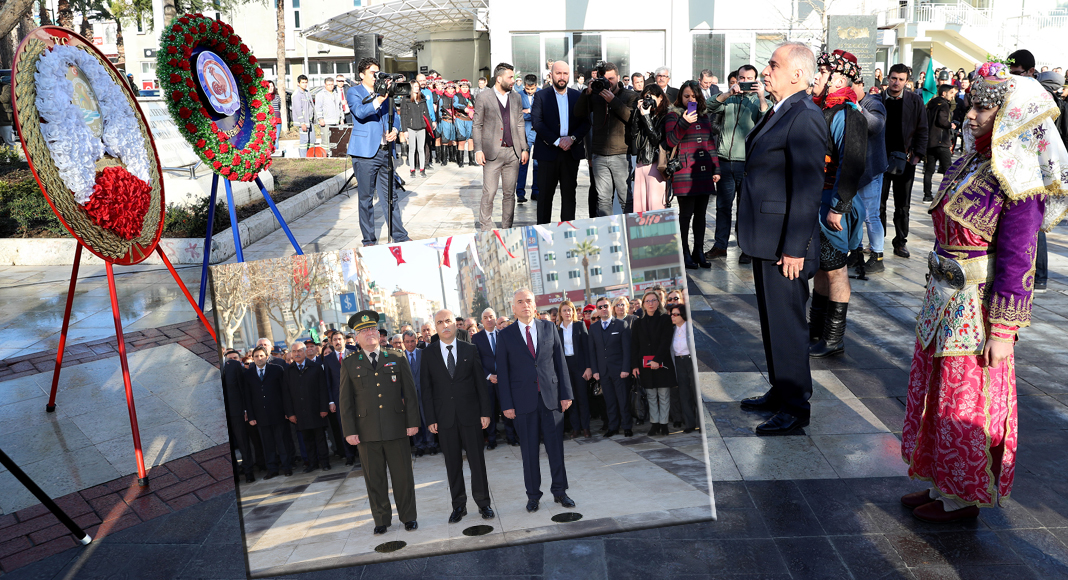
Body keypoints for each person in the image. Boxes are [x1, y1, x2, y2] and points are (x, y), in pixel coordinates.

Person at [900, 63, 1068, 523]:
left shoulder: (1019, 178)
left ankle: (962, 496)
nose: (970, 115)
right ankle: (938, 480)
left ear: (1008, 114)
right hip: (943, 299)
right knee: (936, 392)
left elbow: (1019, 258)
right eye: (971, 105)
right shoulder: (972, 160)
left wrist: (1004, 330)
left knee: (964, 401)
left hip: (977, 308)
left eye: (982, 108)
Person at [736, 41, 827, 435]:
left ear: (797, 74)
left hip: (786, 246)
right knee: (773, 322)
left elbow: (808, 190)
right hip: (766, 239)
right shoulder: (782, 108)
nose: (765, 70)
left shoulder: (805, 115)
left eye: (773, 65)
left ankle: (795, 405)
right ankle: (780, 388)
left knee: (788, 326)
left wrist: (794, 249)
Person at [808, 51, 869, 359]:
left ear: (838, 80)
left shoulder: (848, 113)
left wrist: (838, 206)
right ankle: (816, 330)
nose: (816, 76)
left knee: (836, 270)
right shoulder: (823, 109)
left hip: (833, 204)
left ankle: (833, 338)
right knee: (822, 267)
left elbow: (852, 163)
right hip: (819, 200)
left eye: (822, 72)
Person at [339, 311, 420, 535]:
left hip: (396, 427)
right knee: (374, 478)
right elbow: (345, 401)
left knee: (403, 476)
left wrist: (412, 422)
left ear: (379, 333)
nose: (369, 333)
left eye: (372, 329)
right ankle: (381, 519)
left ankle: (409, 517)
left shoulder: (396, 357)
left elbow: (410, 394)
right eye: (364, 331)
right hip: (366, 431)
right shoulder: (350, 363)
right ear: (356, 338)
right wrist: (349, 431)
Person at [496, 288, 575, 512]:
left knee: (555, 449)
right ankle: (533, 496)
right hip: (522, 402)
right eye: (520, 301)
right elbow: (503, 372)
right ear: (513, 308)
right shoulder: (505, 335)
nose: (525, 305)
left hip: (551, 399)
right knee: (529, 452)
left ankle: (560, 492)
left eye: (528, 301)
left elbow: (560, 362)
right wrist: (507, 404)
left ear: (535, 304)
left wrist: (566, 394)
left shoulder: (549, 327)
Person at [421, 310, 494, 523]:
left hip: (471, 415)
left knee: (477, 462)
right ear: (435, 327)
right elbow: (426, 389)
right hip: (444, 418)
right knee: (452, 464)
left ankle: (484, 503)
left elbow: (480, 384)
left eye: (448, 321)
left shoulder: (470, 349)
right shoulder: (428, 353)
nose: (445, 325)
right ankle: (458, 506)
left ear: (455, 324)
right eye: (440, 322)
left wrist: (485, 412)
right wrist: (430, 418)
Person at [704, 64, 769, 262]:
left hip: (746, 163)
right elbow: (708, 107)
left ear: (756, 80)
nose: (745, 81)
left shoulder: (760, 101)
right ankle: (720, 245)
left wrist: (761, 97)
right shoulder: (730, 98)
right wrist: (727, 93)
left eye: (749, 78)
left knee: (745, 207)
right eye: (742, 78)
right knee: (723, 206)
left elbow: (766, 121)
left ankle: (747, 248)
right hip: (724, 160)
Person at [347, 57, 410, 247]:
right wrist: (380, 98)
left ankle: (400, 236)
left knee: (390, 197)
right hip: (365, 153)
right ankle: (369, 240)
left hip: (385, 151)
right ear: (361, 75)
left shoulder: (384, 92)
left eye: (378, 73)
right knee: (366, 198)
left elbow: (395, 116)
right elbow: (360, 112)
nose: (376, 77)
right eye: (372, 73)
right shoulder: (354, 92)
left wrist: (395, 130)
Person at [665, 80, 721, 269]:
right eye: (686, 96)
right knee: (685, 215)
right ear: (680, 97)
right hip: (684, 172)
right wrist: (684, 122)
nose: (691, 99)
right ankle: (684, 253)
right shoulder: (673, 115)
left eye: (694, 96)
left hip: (704, 171)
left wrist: (716, 168)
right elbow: (670, 142)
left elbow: (710, 144)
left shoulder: (704, 116)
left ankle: (699, 251)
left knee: (701, 215)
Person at [876, 63, 928, 259]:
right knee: (879, 204)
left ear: (907, 82)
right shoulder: (878, 100)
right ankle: (877, 242)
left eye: (901, 79)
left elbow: (923, 129)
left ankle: (900, 241)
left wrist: (917, 155)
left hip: (905, 159)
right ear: (888, 78)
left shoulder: (915, 101)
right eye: (893, 78)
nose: (896, 82)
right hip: (880, 159)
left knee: (902, 204)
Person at [530, 60, 590, 224]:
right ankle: (543, 232)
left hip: (571, 153)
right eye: (558, 73)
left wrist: (572, 139)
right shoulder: (541, 96)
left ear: (570, 75)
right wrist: (557, 141)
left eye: (565, 73)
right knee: (544, 197)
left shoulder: (578, 96)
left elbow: (586, 122)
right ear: (551, 75)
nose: (562, 77)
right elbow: (537, 122)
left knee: (569, 196)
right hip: (548, 153)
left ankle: (568, 231)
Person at [576, 61, 638, 217]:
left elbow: (632, 119)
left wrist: (613, 101)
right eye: (605, 79)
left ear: (618, 77)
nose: (608, 82)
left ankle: (627, 230)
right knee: (603, 200)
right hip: (599, 154)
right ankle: (608, 232)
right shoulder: (596, 95)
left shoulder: (630, 96)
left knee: (626, 199)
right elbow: (578, 113)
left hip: (621, 154)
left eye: (611, 79)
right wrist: (587, 94)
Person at [474, 62, 529, 231]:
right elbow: (477, 125)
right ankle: (486, 228)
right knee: (489, 192)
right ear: (499, 79)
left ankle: (507, 229)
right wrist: (478, 149)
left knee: (509, 194)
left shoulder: (516, 97)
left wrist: (524, 148)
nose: (513, 80)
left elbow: (520, 123)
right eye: (510, 77)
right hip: (492, 153)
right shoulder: (484, 97)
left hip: (513, 152)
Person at [854, 77, 889, 274]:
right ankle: (856, 253)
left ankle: (877, 256)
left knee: (870, 214)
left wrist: (856, 107)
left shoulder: (873, 103)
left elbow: (875, 125)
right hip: (856, 168)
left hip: (871, 169)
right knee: (856, 214)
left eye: (852, 86)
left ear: (861, 85)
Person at [630, 291, 677, 435]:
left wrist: (657, 360)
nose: (650, 303)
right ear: (643, 304)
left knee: (663, 395)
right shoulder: (638, 322)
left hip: (662, 363)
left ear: (658, 302)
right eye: (647, 301)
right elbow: (634, 345)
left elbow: (666, 341)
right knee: (650, 395)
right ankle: (654, 423)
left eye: (653, 300)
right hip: (645, 365)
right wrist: (634, 366)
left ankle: (664, 424)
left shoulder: (665, 319)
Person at [282, 341, 331, 473]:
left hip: (316, 410)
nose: (296, 354)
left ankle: (325, 462)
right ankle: (312, 463)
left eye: (299, 351)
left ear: (305, 352)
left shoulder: (315, 367)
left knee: (320, 438)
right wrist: (290, 413)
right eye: (294, 351)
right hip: (299, 412)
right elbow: (286, 394)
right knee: (307, 440)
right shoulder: (288, 371)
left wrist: (323, 408)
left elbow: (323, 389)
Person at [243, 346, 292, 478]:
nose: (259, 358)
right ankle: (272, 469)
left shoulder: (277, 370)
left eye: (261, 356)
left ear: (266, 357)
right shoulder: (248, 374)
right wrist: (251, 416)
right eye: (256, 356)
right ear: (253, 358)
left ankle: (287, 467)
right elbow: (248, 396)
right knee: (267, 444)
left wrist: (287, 411)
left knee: (282, 442)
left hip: (278, 413)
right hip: (260, 416)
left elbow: (284, 392)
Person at [587, 296, 632, 437]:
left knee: (623, 400)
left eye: (605, 306)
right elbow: (592, 352)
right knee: (609, 401)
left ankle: (627, 426)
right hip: (603, 372)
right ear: (597, 310)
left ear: (611, 308)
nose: (603, 309)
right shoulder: (593, 328)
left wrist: (625, 369)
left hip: (619, 371)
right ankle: (613, 427)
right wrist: (595, 371)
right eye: (600, 307)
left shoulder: (621, 325)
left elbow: (627, 350)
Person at [472, 308, 517, 448]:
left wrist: (503, 375)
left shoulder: (503, 334)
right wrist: (489, 375)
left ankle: (511, 437)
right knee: (490, 410)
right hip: (487, 381)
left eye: (491, 317)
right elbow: (477, 360)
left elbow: (509, 356)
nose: (489, 320)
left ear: (496, 319)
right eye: (485, 317)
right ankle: (492, 439)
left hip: (504, 380)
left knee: (506, 408)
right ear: (482, 321)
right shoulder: (476, 338)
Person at [628, 84, 668, 213]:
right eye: (646, 98)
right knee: (640, 207)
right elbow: (633, 134)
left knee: (655, 207)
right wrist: (638, 112)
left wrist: (646, 117)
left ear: (661, 97)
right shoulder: (642, 113)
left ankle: (658, 228)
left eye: (651, 98)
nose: (648, 102)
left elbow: (656, 140)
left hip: (656, 163)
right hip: (641, 163)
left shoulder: (666, 115)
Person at [557, 301, 592, 438]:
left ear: (573, 312)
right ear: (560, 313)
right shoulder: (557, 329)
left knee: (582, 397)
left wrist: (588, 367)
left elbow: (586, 348)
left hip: (580, 366)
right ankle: (576, 428)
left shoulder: (579, 325)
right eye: (564, 310)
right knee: (570, 399)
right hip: (565, 367)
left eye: (569, 310)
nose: (567, 313)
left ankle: (586, 427)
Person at [223, 350, 259, 483]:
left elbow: (242, 389)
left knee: (243, 443)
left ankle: (249, 472)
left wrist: (245, 410)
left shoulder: (233, 365)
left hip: (236, 413)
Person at [323, 331, 358, 466]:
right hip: (339, 400)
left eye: (339, 339)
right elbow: (328, 381)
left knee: (360, 425)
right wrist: (331, 401)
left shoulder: (354, 353)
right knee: (344, 427)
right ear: (331, 342)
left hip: (356, 397)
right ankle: (349, 456)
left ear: (344, 340)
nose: (337, 342)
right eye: (334, 340)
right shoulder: (328, 359)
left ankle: (362, 453)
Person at [922, 84, 958, 203]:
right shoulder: (944, 104)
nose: (953, 96)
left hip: (930, 142)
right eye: (951, 93)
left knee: (929, 170)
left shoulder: (930, 104)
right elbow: (942, 121)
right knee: (948, 170)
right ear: (944, 93)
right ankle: (947, 195)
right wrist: (950, 125)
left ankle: (927, 195)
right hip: (941, 142)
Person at [668, 304, 699, 433]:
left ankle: (701, 424)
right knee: (684, 393)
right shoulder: (672, 330)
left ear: (683, 315)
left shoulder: (691, 328)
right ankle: (689, 424)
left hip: (691, 361)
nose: (673, 316)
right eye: (672, 314)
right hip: (678, 362)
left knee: (696, 393)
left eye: (676, 314)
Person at [399, 82, 432, 178]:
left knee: (421, 149)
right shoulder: (406, 99)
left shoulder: (422, 99)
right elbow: (403, 115)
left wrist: (429, 127)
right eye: (415, 86)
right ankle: (412, 169)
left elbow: (426, 114)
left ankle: (422, 169)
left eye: (418, 86)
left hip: (421, 127)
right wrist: (405, 130)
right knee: (412, 149)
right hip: (411, 127)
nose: (417, 88)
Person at [516, 74, 541, 204]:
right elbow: (517, 115)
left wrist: (529, 111)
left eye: (532, 89)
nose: (530, 91)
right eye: (527, 89)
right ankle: (520, 192)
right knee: (523, 163)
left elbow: (542, 114)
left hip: (539, 133)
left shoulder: (543, 94)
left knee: (538, 164)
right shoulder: (518, 95)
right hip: (525, 134)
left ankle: (536, 191)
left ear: (536, 85)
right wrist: (528, 113)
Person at [315, 77, 348, 150]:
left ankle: (333, 154)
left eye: (332, 84)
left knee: (334, 141)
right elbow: (318, 107)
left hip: (335, 121)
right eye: (328, 84)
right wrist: (320, 118)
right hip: (326, 122)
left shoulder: (336, 94)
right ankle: (325, 154)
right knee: (326, 141)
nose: (330, 86)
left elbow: (340, 107)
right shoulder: (321, 94)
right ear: (325, 85)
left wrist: (341, 118)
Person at [454, 79, 476, 167]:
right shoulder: (457, 96)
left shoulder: (471, 97)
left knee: (471, 140)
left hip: (470, 119)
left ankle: (472, 161)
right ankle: (460, 161)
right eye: (463, 87)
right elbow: (455, 104)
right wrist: (464, 108)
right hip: (461, 119)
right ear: (460, 87)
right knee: (462, 140)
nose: (465, 89)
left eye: (466, 87)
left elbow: (474, 106)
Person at [292, 75, 314, 157]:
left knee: (311, 140)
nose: (305, 84)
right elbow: (298, 109)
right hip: (303, 122)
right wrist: (302, 123)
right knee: (304, 141)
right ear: (298, 83)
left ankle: (310, 157)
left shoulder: (307, 92)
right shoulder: (297, 94)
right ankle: (303, 158)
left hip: (309, 121)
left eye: (306, 82)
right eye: (303, 82)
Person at [265, 80, 282, 154]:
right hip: (269, 121)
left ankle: (276, 154)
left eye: (272, 86)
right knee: (269, 139)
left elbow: (279, 106)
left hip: (277, 120)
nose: (271, 88)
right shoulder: (264, 98)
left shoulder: (277, 97)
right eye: (269, 86)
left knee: (276, 139)